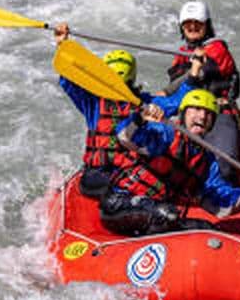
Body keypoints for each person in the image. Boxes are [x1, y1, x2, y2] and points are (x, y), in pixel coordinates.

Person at [53, 22, 202, 198]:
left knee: (159, 188)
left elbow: (179, 101)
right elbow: (68, 80)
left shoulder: (146, 104)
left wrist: (195, 69)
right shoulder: (93, 102)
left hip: (130, 171)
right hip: (98, 173)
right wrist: (63, 44)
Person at [99, 89, 240, 236]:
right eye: (196, 110)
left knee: (207, 230)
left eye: (208, 113)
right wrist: (140, 118)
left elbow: (221, 205)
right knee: (166, 215)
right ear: (183, 114)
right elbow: (125, 137)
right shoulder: (164, 134)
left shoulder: (206, 160)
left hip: (159, 212)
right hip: (120, 204)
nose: (202, 116)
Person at [165, 1, 240, 181]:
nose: (192, 27)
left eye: (198, 23)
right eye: (187, 23)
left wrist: (166, 91)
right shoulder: (182, 53)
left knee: (227, 166)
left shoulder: (217, 49)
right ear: (181, 27)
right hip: (188, 113)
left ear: (207, 25)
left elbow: (199, 74)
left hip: (218, 112)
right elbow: (177, 83)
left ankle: (226, 193)